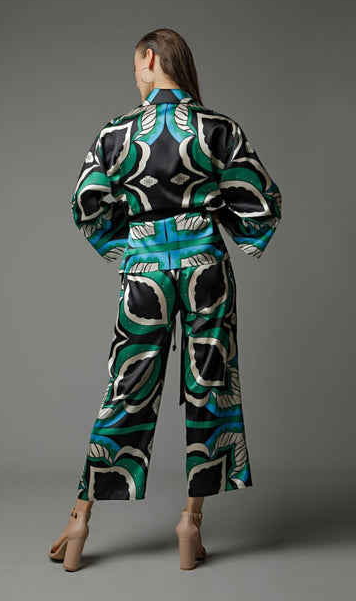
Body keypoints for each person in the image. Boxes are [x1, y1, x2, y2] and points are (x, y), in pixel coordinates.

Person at [48, 28, 282, 572]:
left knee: (126, 386)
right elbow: (262, 203)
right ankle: (190, 523)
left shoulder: (116, 132)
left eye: (136, 65)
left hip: (145, 272)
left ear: (150, 59)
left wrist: (129, 240)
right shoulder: (219, 128)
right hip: (205, 269)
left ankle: (80, 520)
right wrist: (223, 222)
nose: (136, 76)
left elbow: (85, 202)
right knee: (210, 385)